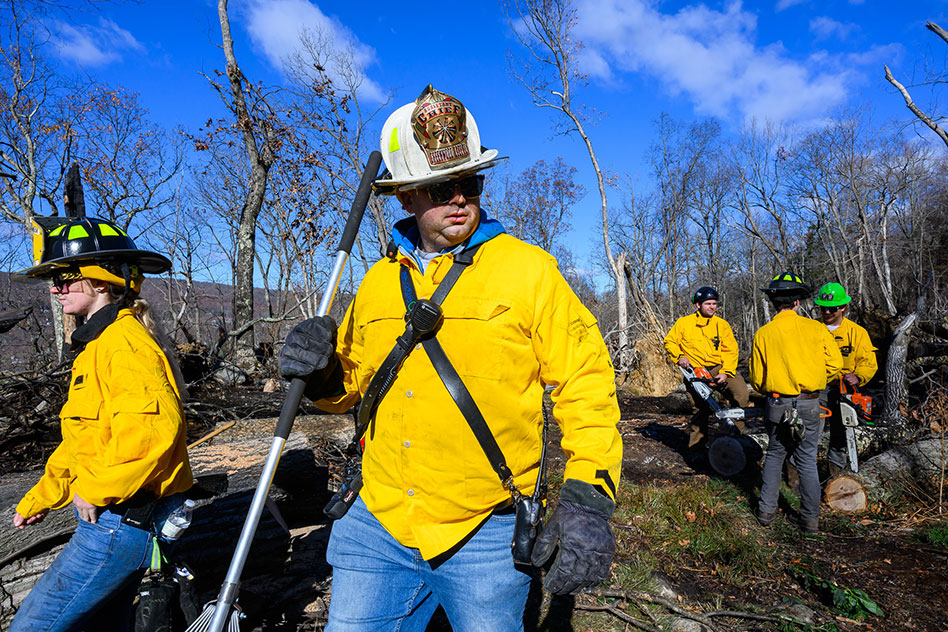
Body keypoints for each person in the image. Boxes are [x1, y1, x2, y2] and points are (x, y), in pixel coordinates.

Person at [279, 85, 622, 631]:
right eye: (441, 187)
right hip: (377, 519)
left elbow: (587, 388)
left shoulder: (530, 272)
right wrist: (318, 371)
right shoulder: (376, 282)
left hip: (485, 528)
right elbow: (345, 392)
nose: (459, 197)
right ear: (406, 198)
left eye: (469, 182)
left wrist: (588, 496)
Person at [10, 217, 193, 632]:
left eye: (64, 279)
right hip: (112, 520)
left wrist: (95, 490)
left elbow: (153, 433)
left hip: (118, 524)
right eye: (53, 281)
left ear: (101, 281)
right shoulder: (99, 344)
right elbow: (85, 438)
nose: (55, 289)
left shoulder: (123, 344)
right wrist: (45, 494)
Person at [750, 273, 842, 534]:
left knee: (775, 456)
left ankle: (765, 513)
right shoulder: (817, 329)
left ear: (773, 302)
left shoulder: (764, 333)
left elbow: (757, 379)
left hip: (777, 403)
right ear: (798, 302)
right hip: (810, 404)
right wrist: (813, 379)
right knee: (807, 461)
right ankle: (810, 520)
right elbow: (835, 365)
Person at [664, 285, 749, 448]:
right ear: (698, 305)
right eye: (708, 304)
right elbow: (669, 341)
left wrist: (725, 372)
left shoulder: (721, 325)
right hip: (695, 371)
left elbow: (731, 350)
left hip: (719, 367)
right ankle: (697, 448)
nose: (712, 307)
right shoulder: (684, 323)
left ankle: (738, 436)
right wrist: (680, 356)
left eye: (714, 304)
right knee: (700, 410)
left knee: (741, 394)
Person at [813, 282, 878, 476]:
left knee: (841, 434)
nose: (826, 312)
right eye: (823, 308)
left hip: (844, 389)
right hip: (816, 387)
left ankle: (836, 475)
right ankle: (797, 476)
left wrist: (858, 376)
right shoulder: (811, 330)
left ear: (843, 307)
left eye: (831, 309)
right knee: (809, 431)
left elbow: (868, 362)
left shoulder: (857, 333)